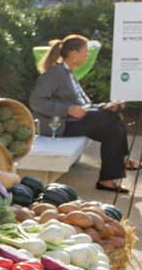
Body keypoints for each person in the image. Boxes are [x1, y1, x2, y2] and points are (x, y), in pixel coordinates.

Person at [29, 34, 134, 192]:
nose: (87, 55)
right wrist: (67, 109)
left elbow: (84, 106)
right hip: (60, 126)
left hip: (77, 122)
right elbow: (36, 101)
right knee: (113, 116)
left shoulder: (69, 73)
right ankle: (124, 159)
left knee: (114, 130)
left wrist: (106, 106)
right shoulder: (55, 73)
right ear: (73, 54)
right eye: (85, 51)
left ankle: (106, 181)